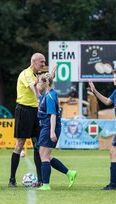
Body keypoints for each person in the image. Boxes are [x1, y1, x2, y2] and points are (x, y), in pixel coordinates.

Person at [8, 53, 48, 187]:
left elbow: (40, 90)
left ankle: (41, 179)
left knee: (38, 145)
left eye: (44, 62)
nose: (43, 64)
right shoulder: (26, 74)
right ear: (34, 61)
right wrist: (37, 92)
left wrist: (47, 80)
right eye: (41, 62)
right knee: (19, 144)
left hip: (35, 112)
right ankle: (12, 179)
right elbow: (33, 88)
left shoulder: (37, 76)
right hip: (24, 111)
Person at [36, 73, 77, 191]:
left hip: (49, 127)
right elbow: (38, 96)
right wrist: (34, 86)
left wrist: (52, 132)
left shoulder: (50, 96)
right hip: (46, 126)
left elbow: (53, 114)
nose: (38, 84)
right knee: (46, 155)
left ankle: (46, 185)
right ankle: (69, 173)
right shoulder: (47, 94)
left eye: (40, 82)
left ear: (45, 83)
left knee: (44, 156)